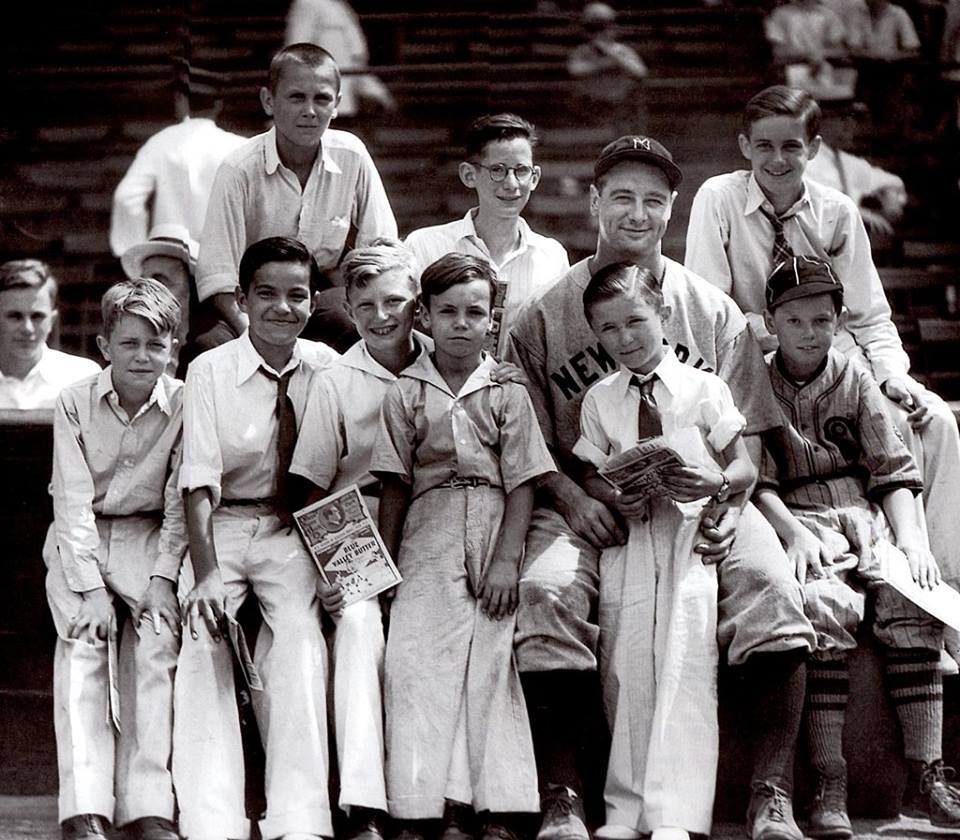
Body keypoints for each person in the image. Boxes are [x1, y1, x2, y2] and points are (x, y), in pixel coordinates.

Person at [506, 135, 815, 840]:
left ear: (673, 207)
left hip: (710, 499)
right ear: (593, 202)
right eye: (621, 196)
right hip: (587, 500)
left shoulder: (712, 310)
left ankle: (772, 794)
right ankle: (564, 795)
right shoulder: (546, 315)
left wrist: (735, 505)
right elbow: (527, 440)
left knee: (770, 583)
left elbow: (752, 438)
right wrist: (574, 499)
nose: (637, 213)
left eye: (653, 199)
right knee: (547, 591)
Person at [684, 84, 960, 603]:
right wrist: (777, 332)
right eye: (764, 145)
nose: (777, 158)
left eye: (792, 146)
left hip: (839, 366)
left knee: (934, 422)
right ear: (745, 146)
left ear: (813, 149)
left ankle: (937, 583)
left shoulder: (836, 211)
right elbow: (710, 314)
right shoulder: (718, 199)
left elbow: (871, 315)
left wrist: (892, 376)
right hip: (758, 365)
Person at [752, 255, 960, 834]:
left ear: (839, 321)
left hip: (860, 506)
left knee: (913, 595)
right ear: (771, 321)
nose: (809, 333)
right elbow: (756, 481)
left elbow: (891, 469)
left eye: (822, 320)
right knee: (822, 604)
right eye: (794, 320)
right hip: (796, 510)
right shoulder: (757, 377)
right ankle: (828, 777)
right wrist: (790, 535)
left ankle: (926, 772)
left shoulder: (853, 375)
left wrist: (913, 538)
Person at [371, 253, 555, 840]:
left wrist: (506, 560)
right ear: (423, 315)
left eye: (475, 312)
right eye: (446, 311)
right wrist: (388, 566)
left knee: (490, 659)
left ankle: (494, 807)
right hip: (430, 525)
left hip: (497, 520)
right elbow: (395, 484)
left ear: (493, 319)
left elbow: (524, 479)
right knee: (415, 662)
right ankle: (424, 807)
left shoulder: (506, 391)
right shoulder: (406, 392)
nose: (460, 323)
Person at [574, 262, 757, 840]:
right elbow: (591, 472)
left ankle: (676, 812)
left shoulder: (704, 389)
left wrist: (716, 483)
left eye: (635, 321)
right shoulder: (601, 397)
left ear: (665, 316)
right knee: (626, 666)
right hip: (632, 542)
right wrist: (611, 494)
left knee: (683, 660)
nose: (624, 338)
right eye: (608, 329)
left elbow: (744, 464)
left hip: (686, 537)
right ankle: (625, 809)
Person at [172, 236, 339, 840]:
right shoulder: (210, 369)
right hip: (223, 525)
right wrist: (208, 574)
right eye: (265, 294)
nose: (282, 308)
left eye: (297, 295)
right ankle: (211, 820)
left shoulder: (326, 366)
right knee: (202, 640)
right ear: (241, 299)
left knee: (297, 636)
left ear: (314, 302)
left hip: (291, 528)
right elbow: (198, 481)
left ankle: (298, 818)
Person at [290, 238, 428, 840]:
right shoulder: (337, 379)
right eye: (365, 303)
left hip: (436, 519)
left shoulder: (444, 361)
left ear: (417, 302)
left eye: (394, 300)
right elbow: (309, 487)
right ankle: (364, 803)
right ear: (348, 304)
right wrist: (329, 570)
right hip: (357, 528)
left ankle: (432, 800)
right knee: (357, 627)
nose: (381, 316)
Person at [44, 277, 186, 840]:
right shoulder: (75, 401)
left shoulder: (182, 402)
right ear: (104, 346)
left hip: (149, 536)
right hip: (81, 536)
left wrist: (163, 579)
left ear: (173, 348)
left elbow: (180, 500)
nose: (143, 356)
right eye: (129, 344)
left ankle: (147, 803)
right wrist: (94, 591)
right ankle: (84, 807)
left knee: (157, 642)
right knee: (83, 642)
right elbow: (71, 501)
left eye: (156, 345)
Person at [197, 43, 396, 344]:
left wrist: (367, 308)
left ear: (337, 104)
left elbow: (381, 250)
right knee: (210, 348)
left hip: (321, 294)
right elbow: (218, 275)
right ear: (268, 101)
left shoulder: (352, 154)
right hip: (253, 297)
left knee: (361, 333)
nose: (310, 111)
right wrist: (253, 337)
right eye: (296, 97)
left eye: (322, 99)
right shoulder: (238, 169)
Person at [404, 113, 570, 358]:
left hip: (522, 392)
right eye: (498, 170)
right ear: (469, 175)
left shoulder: (552, 256)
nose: (511, 183)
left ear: (534, 178)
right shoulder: (423, 245)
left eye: (521, 170)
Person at [109, 61, 246, 258]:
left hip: (172, 260)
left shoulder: (161, 143)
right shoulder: (240, 147)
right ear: (218, 104)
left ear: (180, 100)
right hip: (226, 260)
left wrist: (136, 255)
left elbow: (126, 198)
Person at [0, 259, 100, 410]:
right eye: (15, 316)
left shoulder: (83, 379)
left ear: (52, 320)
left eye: (37, 316)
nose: (27, 328)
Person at [284, 0, 396, 116]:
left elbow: (354, 41)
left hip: (347, 69)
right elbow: (298, 40)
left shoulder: (339, 5)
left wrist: (359, 55)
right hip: (323, 69)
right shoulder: (307, 3)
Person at [120, 224, 198, 372]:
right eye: (143, 282)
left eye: (160, 281)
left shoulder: (208, 349)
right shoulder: (130, 355)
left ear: (192, 289)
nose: (146, 292)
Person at [566, 2, 649, 133]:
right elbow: (574, 70)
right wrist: (603, 64)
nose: (600, 33)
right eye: (594, 29)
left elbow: (640, 73)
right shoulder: (583, 51)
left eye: (604, 27)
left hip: (620, 107)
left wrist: (613, 55)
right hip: (590, 107)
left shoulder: (622, 51)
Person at [763, 0, 854, 100]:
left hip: (822, 69)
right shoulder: (780, 15)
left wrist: (820, 55)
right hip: (790, 70)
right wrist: (808, 55)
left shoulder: (828, 15)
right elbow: (778, 51)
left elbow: (839, 49)